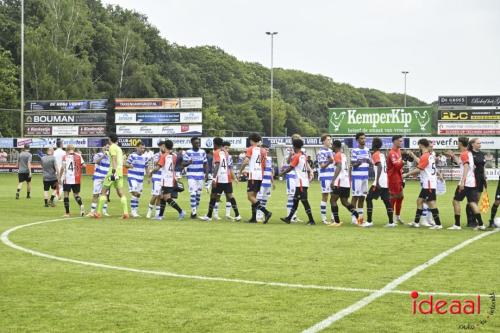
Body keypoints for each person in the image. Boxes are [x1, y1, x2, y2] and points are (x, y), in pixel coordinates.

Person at [446, 137, 486, 231]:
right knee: (472, 202)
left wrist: (462, 182)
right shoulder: (468, 153)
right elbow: (461, 163)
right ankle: (481, 224)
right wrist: (453, 155)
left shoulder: (464, 153)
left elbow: (466, 167)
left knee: (456, 201)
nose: (457, 144)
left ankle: (457, 224)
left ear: (460, 143)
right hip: (472, 182)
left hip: (466, 182)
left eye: (457, 142)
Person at [403, 139, 443, 229]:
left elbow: (419, 169)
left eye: (418, 145)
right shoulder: (429, 155)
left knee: (431, 202)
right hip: (428, 183)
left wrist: (406, 174)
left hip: (429, 183)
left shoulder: (425, 156)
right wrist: (413, 155)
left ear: (421, 145)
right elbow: (421, 162)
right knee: (419, 201)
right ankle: (416, 222)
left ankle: (438, 224)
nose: (418, 147)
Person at [200, 137, 241, 221]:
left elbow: (217, 165)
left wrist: (214, 178)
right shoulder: (225, 152)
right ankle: (237, 215)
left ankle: (208, 216)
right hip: (227, 177)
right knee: (230, 196)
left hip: (219, 178)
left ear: (215, 144)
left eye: (213, 143)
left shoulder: (216, 152)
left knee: (213, 195)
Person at [279, 138, 316, 225]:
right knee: (295, 200)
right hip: (302, 181)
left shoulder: (296, 156)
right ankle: (288, 218)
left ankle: (311, 220)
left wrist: (282, 173)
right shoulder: (303, 155)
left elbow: (291, 167)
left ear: (294, 146)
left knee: (304, 200)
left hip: (300, 182)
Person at [239, 133, 272, 224]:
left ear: (251, 140)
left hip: (253, 175)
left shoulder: (250, 149)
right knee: (254, 197)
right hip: (260, 175)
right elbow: (264, 164)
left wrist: (240, 171)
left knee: (250, 197)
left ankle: (266, 212)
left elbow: (246, 161)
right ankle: (254, 218)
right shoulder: (263, 150)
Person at [95, 133, 129, 219]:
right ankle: (126, 213)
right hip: (120, 172)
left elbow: (114, 159)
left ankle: (98, 213)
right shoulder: (119, 148)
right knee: (120, 192)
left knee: (103, 191)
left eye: (108, 139)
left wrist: (113, 171)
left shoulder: (112, 147)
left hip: (113, 171)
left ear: (110, 139)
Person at [363, 137, 394, 228]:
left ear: (374, 145)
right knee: (387, 202)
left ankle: (369, 221)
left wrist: (377, 182)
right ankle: (391, 222)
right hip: (385, 182)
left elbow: (379, 166)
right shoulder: (382, 154)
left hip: (379, 182)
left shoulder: (375, 154)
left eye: (372, 143)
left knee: (368, 199)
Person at [329, 140, 359, 227]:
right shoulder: (343, 155)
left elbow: (339, 166)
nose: (331, 147)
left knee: (332, 200)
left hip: (340, 181)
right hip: (346, 182)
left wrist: (333, 180)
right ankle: (359, 218)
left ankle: (337, 221)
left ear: (335, 146)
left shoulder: (337, 155)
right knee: (345, 202)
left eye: (332, 145)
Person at [154, 139, 185, 220]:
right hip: (171, 178)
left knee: (167, 197)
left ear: (165, 146)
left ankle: (181, 211)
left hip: (166, 179)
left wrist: (150, 172)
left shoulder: (164, 156)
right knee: (162, 197)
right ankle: (160, 216)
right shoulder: (174, 155)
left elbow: (157, 168)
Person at [183, 137, 208, 218]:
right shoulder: (188, 152)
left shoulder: (202, 152)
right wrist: (188, 162)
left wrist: (206, 174)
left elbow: (205, 163)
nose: (198, 144)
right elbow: (183, 164)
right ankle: (194, 212)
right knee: (193, 193)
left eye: (198, 143)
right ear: (192, 143)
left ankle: (194, 211)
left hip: (200, 175)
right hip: (191, 175)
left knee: (198, 195)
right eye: (196, 143)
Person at [213, 141, 237, 219]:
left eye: (228, 148)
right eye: (226, 148)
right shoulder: (218, 154)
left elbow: (230, 168)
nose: (227, 149)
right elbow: (215, 166)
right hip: (219, 178)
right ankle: (216, 215)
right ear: (222, 147)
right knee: (217, 196)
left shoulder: (228, 156)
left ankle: (227, 214)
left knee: (228, 196)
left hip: (227, 178)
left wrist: (234, 178)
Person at [465, 138, 486, 227]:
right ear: (472, 144)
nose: (479, 145)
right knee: (471, 200)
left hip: (481, 179)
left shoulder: (481, 153)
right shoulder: (469, 154)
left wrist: (485, 176)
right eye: (478, 143)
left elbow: (483, 166)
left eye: (480, 143)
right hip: (473, 179)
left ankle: (474, 219)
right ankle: (470, 221)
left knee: (476, 200)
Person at [60, 145, 85, 217]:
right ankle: (81, 205)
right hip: (76, 178)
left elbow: (62, 168)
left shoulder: (65, 157)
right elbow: (84, 165)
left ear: (67, 150)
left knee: (66, 195)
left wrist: (59, 177)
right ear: (73, 149)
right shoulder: (79, 156)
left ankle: (67, 213)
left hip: (67, 178)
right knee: (76, 195)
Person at [350, 132, 370, 224]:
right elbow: (353, 164)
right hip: (357, 177)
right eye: (361, 138)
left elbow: (369, 162)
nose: (363, 140)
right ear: (357, 140)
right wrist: (359, 162)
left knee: (362, 197)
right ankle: (354, 218)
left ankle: (360, 218)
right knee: (355, 197)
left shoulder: (367, 150)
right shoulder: (354, 150)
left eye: (364, 138)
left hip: (365, 177)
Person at [125, 142, 148, 218]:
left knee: (138, 195)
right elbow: (126, 164)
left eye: (144, 148)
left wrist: (149, 177)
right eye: (141, 148)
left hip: (140, 179)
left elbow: (146, 167)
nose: (143, 149)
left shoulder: (145, 157)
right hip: (132, 177)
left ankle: (135, 211)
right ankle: (133, 211)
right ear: (137, 147)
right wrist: (130, 166)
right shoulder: (132, 155)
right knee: (134, 193)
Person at [316, 134, 335, 224]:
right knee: (325, 196)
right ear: (323, 141)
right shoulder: (320, 152)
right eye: (328, 140)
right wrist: (329, 161)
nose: (330, 141)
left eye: (330, 140)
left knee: (333, 197)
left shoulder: (332, 151)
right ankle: (324, 218)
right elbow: (322, 166)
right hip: (324, 177)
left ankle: (333, 217)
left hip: (332, 177)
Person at [87, 144, 110, 217]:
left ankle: (104, 211)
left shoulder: (111, 156)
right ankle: (92, 211)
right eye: (106, 147)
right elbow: (96, 162)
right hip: (98, 177)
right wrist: (103, 155)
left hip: (107, 178)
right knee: (95, 194)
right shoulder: (98, 154)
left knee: (105, 194)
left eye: (109, 147)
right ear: (103, 147)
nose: (107, 148)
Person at [387, 135, 405, 224]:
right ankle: (391, 219)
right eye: (400, 141)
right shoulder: (392, 153)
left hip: (398, 177)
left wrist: (402, 178)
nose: (401, 142)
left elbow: (400, 167)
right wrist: (403, 161)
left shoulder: (399, 151)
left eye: (401, 141)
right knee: (393, 198)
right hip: (393, 178)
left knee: (401, 197)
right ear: (394, 141)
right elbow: (397, 166)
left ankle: (397, 217)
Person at [256, 144, 275, 222]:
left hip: (268, 182)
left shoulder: (269, 159)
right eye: (265, 149)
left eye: (267, 149)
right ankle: (258, 215)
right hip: (261, 181)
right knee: (259, 198)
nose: (267, 151)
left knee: (265, 199)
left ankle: (262, 215)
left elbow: (270, 171)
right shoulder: (260, 158)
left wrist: (273, 182)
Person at [146, 145, 163, 219]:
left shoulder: (168, 155)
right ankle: (149, 211)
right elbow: (154, 163)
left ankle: (157, 214)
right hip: (156, 177)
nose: (163, 148)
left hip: (164, 177)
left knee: (160, 196)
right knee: (155, 195)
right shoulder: (156, 155)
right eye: (162, 146)